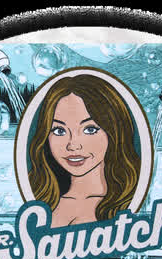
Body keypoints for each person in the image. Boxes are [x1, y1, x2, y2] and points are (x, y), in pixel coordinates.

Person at [28, 74, 141, 227]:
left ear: (114, 131)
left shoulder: (130, 200)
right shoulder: (41, 201)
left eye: (89, 129)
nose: (73, 145)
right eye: (59, 131)